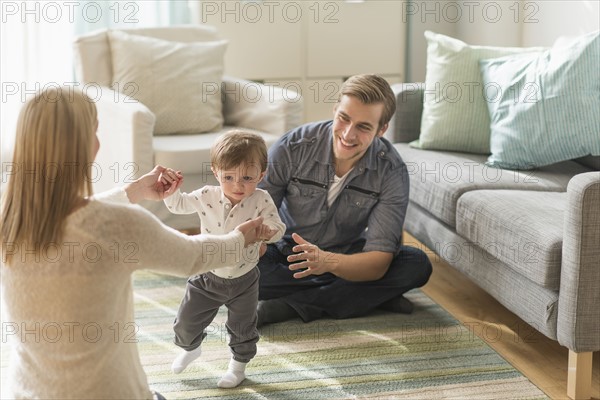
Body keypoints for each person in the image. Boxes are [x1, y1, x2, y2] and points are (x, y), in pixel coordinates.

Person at [0, 87, 272, 399]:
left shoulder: (9, 220)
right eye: (95, 130)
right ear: (83, 147)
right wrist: (241, 238)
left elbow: (71, 217)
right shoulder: (119, 226)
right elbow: (191, 257)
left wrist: (132, 191)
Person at [256, 74, 433, 327]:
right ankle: (368, 296)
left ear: (382, 130)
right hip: (287, 253)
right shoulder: (292, 147)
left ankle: (292, 305)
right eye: (344, 118)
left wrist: (326, 262)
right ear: (335, 110)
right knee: (247, 271)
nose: (348, 135)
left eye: (363, 127)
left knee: (416, 265)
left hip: (347, 255)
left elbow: (379, 260)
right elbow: (255, 217)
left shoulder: (392, 171)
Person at [160, 130, 285, 388]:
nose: (238, 186)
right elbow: (178, 205)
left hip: (244, 280)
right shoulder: (206, 195)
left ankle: (238, 368)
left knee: (242, 329)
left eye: (247, 178)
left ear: (261, 175)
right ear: (216, 172)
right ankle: (190, 348)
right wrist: (171, 191)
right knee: (185, 323)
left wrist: (268, 232)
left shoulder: (261, 200)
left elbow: (278, 227)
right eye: (229, 177)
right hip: (207, 274)